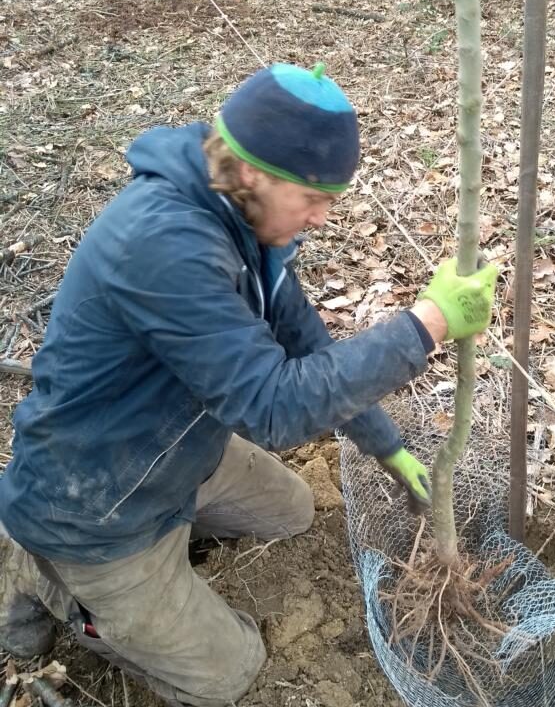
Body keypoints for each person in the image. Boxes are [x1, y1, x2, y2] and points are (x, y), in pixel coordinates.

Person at [0, 62, 497, 705]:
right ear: (257, 172)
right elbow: (270, 408)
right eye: (314, 199)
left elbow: (304, 340)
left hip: (172, 449)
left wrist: (388, 447)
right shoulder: (164, 244)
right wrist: (424, 327)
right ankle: (57, 587)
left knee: (290, 511)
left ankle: (142, 560)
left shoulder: (243, 221)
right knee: (228, 674)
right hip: (95, 504)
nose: (321, 218)